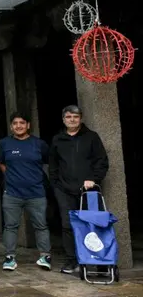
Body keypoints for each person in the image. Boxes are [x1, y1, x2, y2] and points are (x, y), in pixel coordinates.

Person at [49, 105, 109, 275]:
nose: (72, 120)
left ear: (80, 118)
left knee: (94, 223)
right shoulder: (57, 139)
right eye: (68, 117)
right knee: (68, 225)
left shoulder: (91, 137)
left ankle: (99, 262)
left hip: (88, 190)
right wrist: (56, 185)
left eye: (75, 116)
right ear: (63, 120)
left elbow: (102, 161)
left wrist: (94, 179)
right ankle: (72, 260)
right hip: (64, 190)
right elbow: (53, 166)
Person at [0, 113, 52, 272]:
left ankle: (45, 256)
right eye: (15, 123)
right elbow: (1, 163)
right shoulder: (4, 143)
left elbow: (47, 163)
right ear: (11, 126)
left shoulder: (39, 144)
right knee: (10, 226)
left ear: (28, 125)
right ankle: (9, 257)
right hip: (12, 193)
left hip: (36, 192)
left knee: (41, 225)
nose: (18, 126)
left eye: (22, 123)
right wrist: (11, 176)